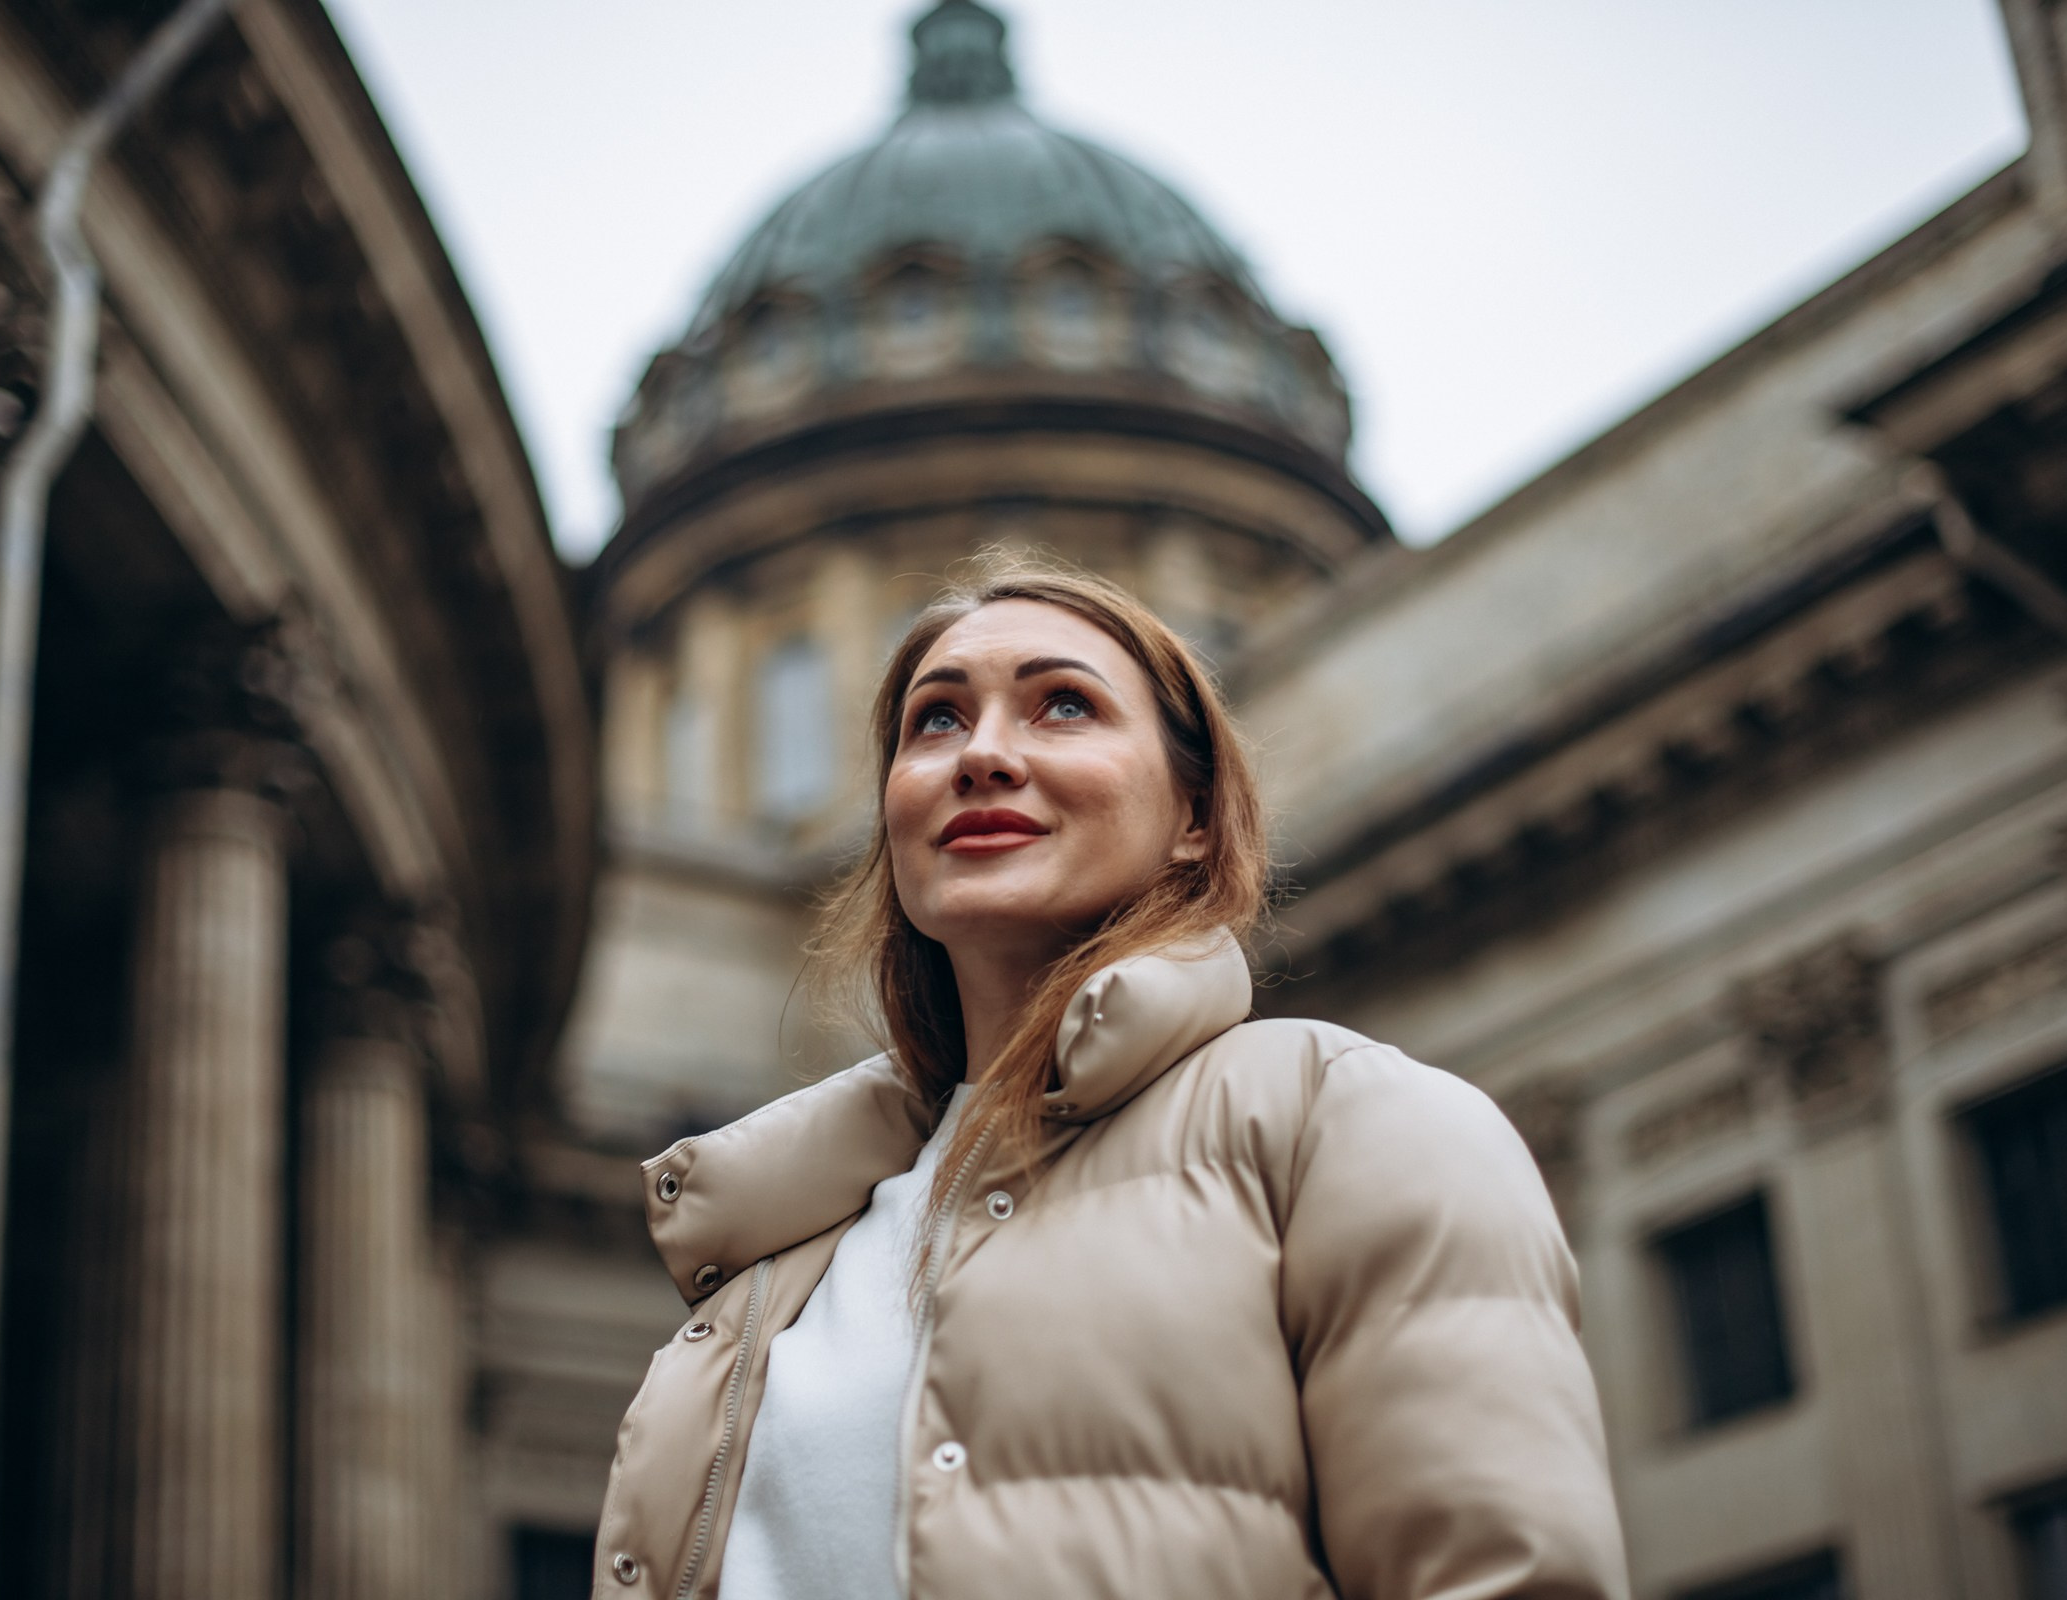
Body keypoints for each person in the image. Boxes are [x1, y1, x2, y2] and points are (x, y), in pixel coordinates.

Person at [594, 556, 1629, 1600]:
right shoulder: (771, 1272)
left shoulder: (1347, 1118)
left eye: (1064, 705)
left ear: (1193, 814)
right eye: (937, 721)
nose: (985, 754)